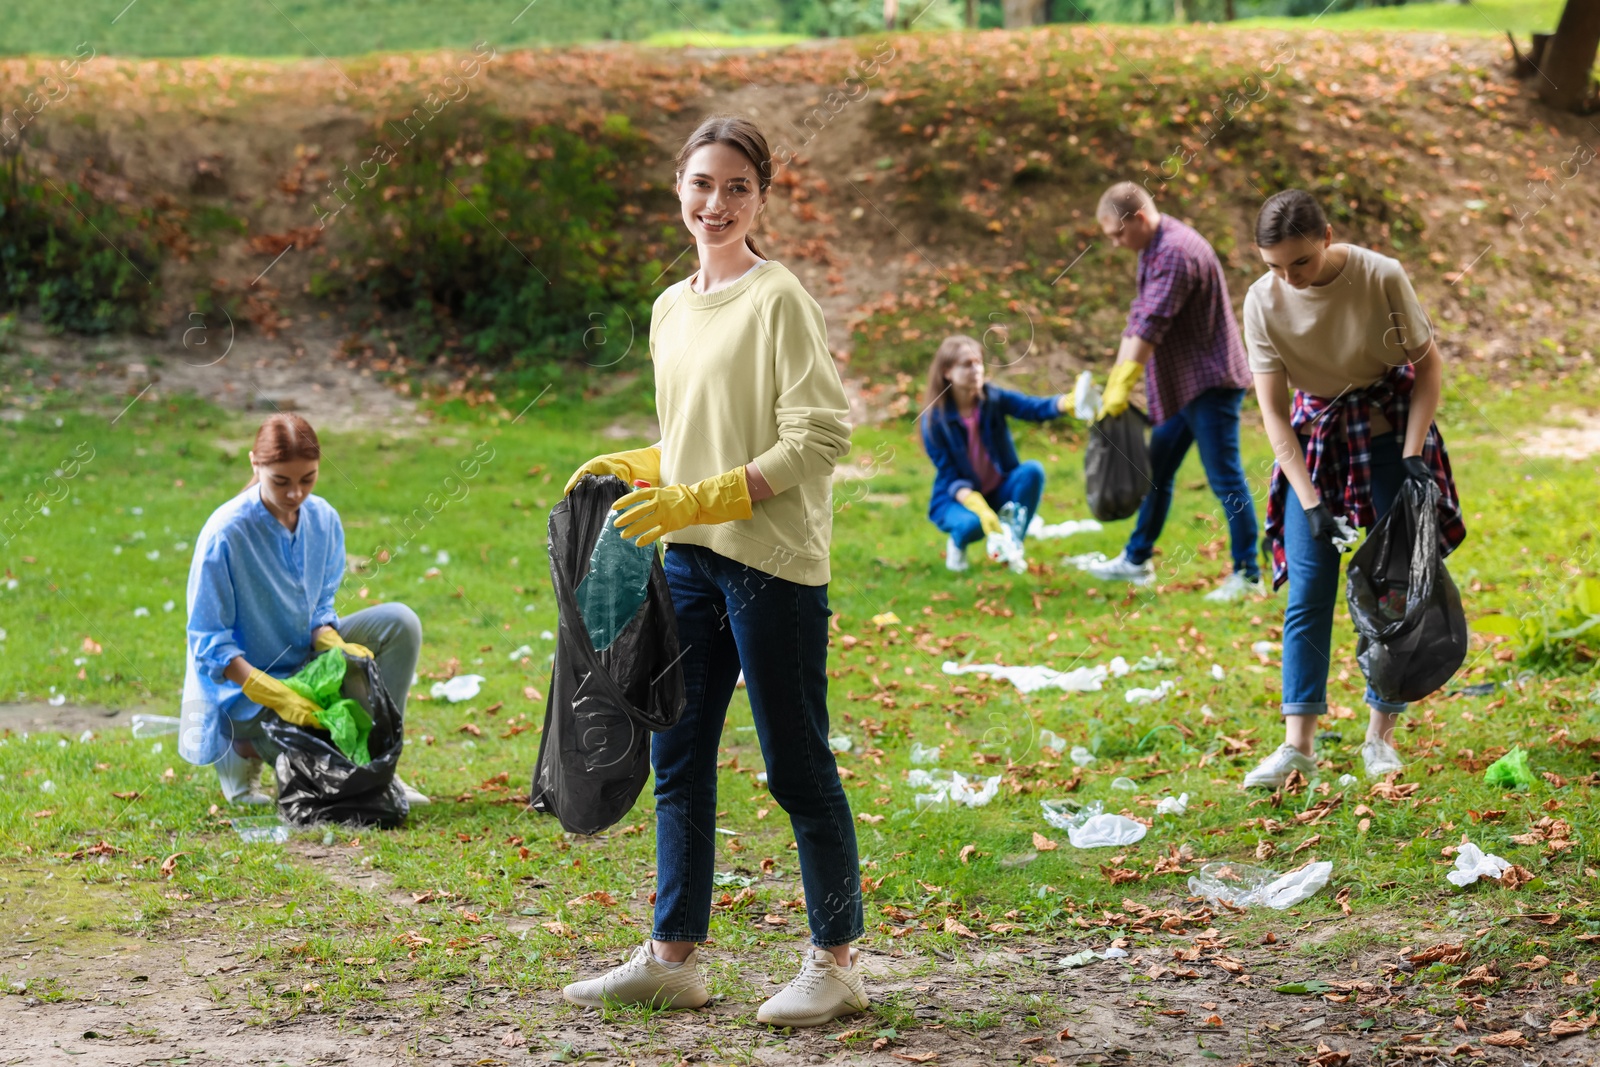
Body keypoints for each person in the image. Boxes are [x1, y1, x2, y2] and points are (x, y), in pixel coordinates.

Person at [560, 115, 865, 1027]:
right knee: (678, 755)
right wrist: (642, 466)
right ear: (678, 190)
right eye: (702, 183)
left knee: (796, 764)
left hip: (771, 566)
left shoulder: (779, 299)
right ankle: (672, 957)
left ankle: (838, 963)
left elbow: (819, 437)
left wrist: (700, 496)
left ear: (762, 196)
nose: (717, 203)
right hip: (689, 564)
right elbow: (697, 438)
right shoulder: (668, 309)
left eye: (738, 186)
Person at [1239, 189, 1464, 788]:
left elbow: (1428, 367)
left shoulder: (1380, 275)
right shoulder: (1262, 301)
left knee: (1395, 586)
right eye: (1274, 267)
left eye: (1300, 263)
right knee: (1308, 587)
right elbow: (1274, 415)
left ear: (1328, 238)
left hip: (1388, 428)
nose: (1288, 278)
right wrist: (1309, 503)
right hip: (1317, 437)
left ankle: (1378, 737)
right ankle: (1298, 747)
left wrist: (1413, 456)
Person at [179, 413, 429, 807]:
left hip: (304, 663)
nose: (295, 493)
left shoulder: (324, 519)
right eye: (281, 481)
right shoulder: (225, 533)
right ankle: (241, 748)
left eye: (307, 479)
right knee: (317, 759)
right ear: (255, 464)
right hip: (245, 691)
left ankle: (380, 765)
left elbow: (319, 608)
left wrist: (332, 642)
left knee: (400, 624)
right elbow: (210, 644)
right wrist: (277, 695)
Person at [1085, 183, 1262, 602]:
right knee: (1156, 472)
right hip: (1185, 387)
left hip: (1211, 383)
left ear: (1139, 219)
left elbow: (1150, 325)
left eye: (1116, 234)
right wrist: (1116, 380)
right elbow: (1138, 316)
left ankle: (1248, 574)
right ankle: (1136, 559)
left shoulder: (1176, 253)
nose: (1114, 243)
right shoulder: (1154, 246)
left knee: (1226, 478)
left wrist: (1126, 380)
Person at [921, 333, 1068, 573]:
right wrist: (977, 505)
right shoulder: (934, 422)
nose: (976, 369)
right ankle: (958, 544)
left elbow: (1032, 408)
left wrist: (1068, 403)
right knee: (972, 525)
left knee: (1032, 471)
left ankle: (1011, 546)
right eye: (967, 364)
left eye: (978, 362)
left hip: (999, 491)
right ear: (947, 372)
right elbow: (948, 475)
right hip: (958, 499)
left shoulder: (993, 399)